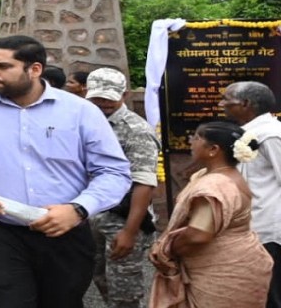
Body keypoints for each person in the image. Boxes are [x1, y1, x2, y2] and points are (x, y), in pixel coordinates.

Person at [0, 35, 132, 308]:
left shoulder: (81, 112)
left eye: (3, 66)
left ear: (35, 69)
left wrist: (78, 209)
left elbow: (114, 171)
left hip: (64, 231)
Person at [150, 120, 274, 306]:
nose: (191, 141)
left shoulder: (215, 185)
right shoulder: (220, 175)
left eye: (197, 138)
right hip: (240, 259)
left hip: (222, 269)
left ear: (213, 149)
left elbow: (198, 235)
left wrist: (167, 250)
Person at [84, 68, 159, 308]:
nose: (103, 103)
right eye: (97, 98)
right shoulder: (85, 121)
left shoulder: (136, 130)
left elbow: (144, 183)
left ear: (124, 95)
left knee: (124, 290)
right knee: (100, 277)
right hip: (91, 214)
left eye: (109, 98)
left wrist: (129, 231)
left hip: (123, 217)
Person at [220, 81, 281, 307]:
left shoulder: (271, 135)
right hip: (247, 227)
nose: (221, 104)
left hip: (267, 228)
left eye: (227, 99)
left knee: (270, 294)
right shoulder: (247, 132)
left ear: (245, 103)